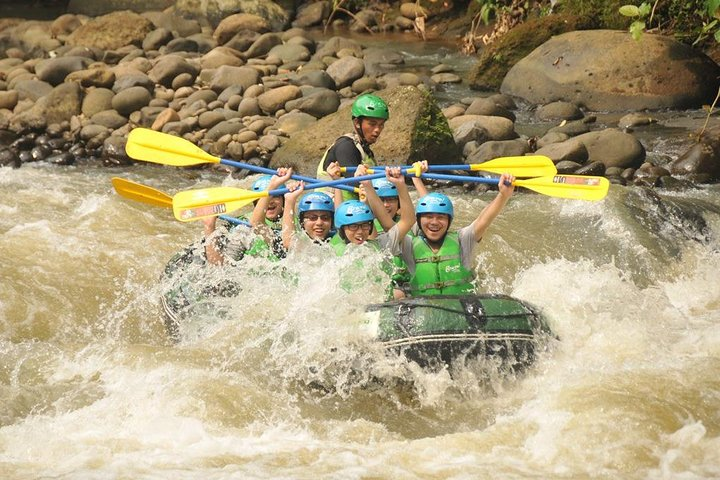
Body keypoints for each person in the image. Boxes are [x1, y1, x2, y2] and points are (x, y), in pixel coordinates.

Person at [400, 173, 516, 297]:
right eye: (428, 217)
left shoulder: (463, 240)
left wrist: (503, 195)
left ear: (449, 221)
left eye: (441, 217)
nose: (434, 222)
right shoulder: (408, 245)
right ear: (418, 220)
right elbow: (389, 223)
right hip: (424, 311)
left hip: (462, 310)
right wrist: (400, 184)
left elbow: (483, 220)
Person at [330, 166, 415, 298]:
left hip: (380, 306)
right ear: (342, 229)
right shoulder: (331, 251)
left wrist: (400, 185)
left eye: (365, 226)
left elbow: (408, 220)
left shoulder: (381, 245)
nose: (360, 232)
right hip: (351, 306)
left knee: (399, 294)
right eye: (353, 227)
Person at [316, 93, 389, 201]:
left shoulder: (364, 150)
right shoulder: (346, 147)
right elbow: (355, 182)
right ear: (357, 123)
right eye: (372, 124)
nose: (378, 129)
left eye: (381, 124)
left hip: (354, 209)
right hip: (330, 211)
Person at [203, 174, 286, 265]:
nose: (270, 201)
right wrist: (209, 226)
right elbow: (221, 266)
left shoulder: (293, 224)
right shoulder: (244, 227)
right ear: (257, 203)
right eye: (265, 198)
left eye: (276, 196)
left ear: (284, 200)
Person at [281, 184, 336, 251]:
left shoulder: (337, 240)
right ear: (302, 222)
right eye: (313, 218)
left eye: (325, 218)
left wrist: (338, 183)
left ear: (331, 221)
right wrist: (289, 200)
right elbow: (288, 242)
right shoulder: (301, 241)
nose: (319, 222)